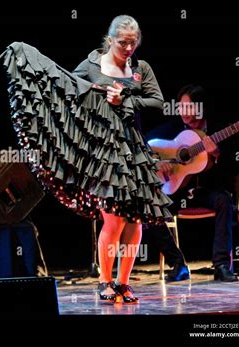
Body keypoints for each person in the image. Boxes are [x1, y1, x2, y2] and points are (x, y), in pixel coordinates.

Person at [73, 15, 172, 303]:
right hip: (104, 152)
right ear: (110, 39)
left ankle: (123, 282)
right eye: (122, 43)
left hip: (135, 152)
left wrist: (127, 98)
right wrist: (99, 96)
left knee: (135, 221)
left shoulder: (141, 68)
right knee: (114, 220)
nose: (129, 48)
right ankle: (104, 281)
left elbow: (157, 101)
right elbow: (70, 90)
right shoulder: (92, 65)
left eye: (133, 42)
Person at [146, 84, 239, 282]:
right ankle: (178, 265)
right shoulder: (174, 129)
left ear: (201, 107)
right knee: (150, 208)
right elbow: (144, 144)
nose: (184, 113)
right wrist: (157, 162)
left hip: (207, 192)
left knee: (225, 201)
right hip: (179, 191)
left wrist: (217, 154)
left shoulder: (217, 131)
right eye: (180, 107)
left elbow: (233, 169)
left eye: (189, 107)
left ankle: (221, 265)